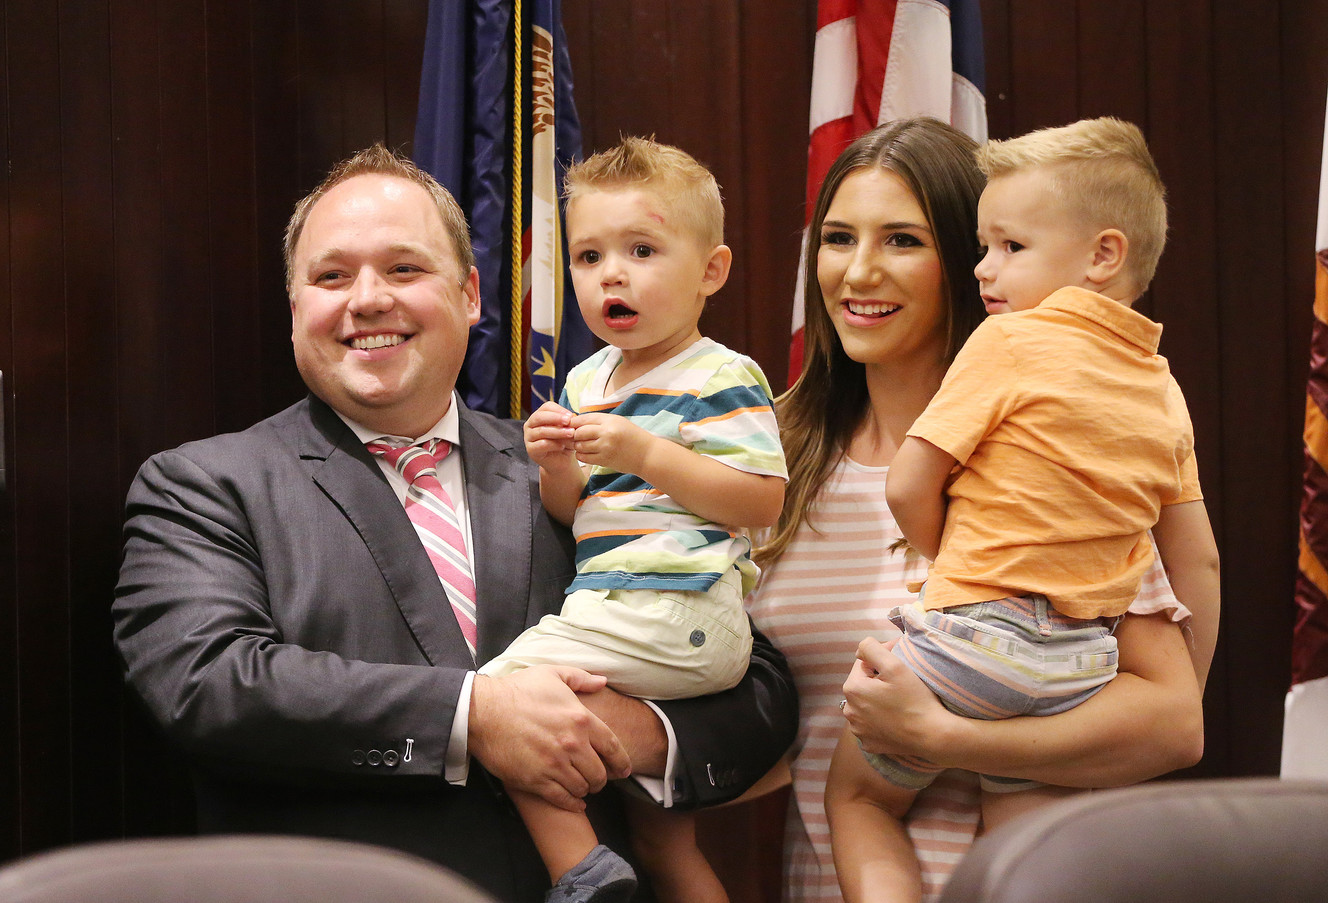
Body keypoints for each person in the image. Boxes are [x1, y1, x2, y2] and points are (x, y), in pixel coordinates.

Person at [111, 144, 799, 903]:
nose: (367, 299)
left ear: (472, 293)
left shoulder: (571, 459)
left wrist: (624, 731)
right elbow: (207, 685)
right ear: (295, 303)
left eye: (404, 269)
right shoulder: (204, 486)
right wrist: (477, 716)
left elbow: (756, 684)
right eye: (331, 276)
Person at [745, 117, 1210, 903]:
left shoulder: (1054, 457)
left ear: (971, 259)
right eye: (836, 238)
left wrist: (948, 738)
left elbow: (1171, 722)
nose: (859, 272)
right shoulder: (760, 456)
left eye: (901, 240)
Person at [480, 137, 787, 903]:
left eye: (642, 249)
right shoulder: (588, 378)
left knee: (499, 697)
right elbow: (576, 509)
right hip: (621, 607)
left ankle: (579, 872)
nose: (611, 273)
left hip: (681, 609)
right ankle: (609, 867)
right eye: (588, 257)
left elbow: (760, 500)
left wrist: (647, 452)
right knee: (662, 835)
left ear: (711, 271)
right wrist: (557, 466)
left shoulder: (721, 373)